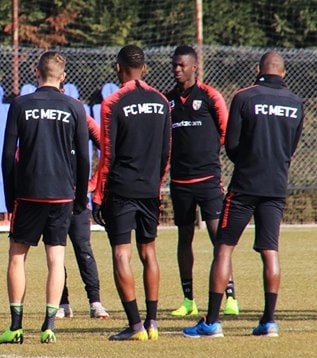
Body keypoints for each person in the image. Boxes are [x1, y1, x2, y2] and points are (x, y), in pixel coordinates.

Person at [184, 51, 303, 338]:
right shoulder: (296, 102)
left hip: (245, 185)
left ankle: (212, 322)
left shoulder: (244, 97)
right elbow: (291, 146)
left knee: (224, 247)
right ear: (283, 73)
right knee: (270, 250)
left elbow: (232, 144)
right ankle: (269, 321)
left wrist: (249, 160)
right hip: (276, 186)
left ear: (258, 69)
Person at [0, 51, 90, 344]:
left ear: (36, 73)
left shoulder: (21, 104)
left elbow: (8, 155)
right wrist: (81, 196)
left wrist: (9, 197)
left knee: (17, 257)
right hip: (62, 194)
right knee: (56, 257)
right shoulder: (75, 107)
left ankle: (16, 326)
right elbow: (84, 158)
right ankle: (49, 325)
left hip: (28, 193)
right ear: (63, 77)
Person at [92, 45, 171, 341]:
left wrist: (98, 196)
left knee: (121, 252)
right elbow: (166, 151)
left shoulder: (112, 103)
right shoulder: (162, 101)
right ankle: (153, 323)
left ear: (118, 68)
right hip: (150, 188)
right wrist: (156, 184)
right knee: (149, 252)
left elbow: (108, 155)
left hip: (122, 187)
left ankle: (135, 325)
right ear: (145, 67)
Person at [165, 45, 240, 318]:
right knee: (184, 238)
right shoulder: (168, 101)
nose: (177, 69)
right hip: (180, 182)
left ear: (194, 66)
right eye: (174, 64)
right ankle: (188, 300)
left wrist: (206, 153)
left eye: (182, 65)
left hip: (208, 180)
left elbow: (225, 131)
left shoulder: (209, 96)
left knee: (219, 238)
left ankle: (230, 296)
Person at [57, 114, 110, 320]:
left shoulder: (80, 116)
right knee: (55, 251)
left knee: (83, 249)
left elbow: (106, 148)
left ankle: (95, 303)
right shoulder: (41, 114)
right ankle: (62, 303)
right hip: (53, 196)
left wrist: (93, 183)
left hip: (78, 199)